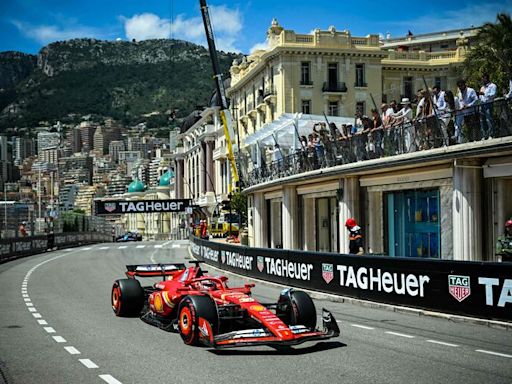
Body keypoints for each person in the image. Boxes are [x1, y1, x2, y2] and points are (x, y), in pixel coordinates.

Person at [478, 74, 497, 140]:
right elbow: (480, 97)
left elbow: (493, 95)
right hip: (482, 104)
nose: (483, 80)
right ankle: (484, 135)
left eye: (484, 79)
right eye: (482, 79)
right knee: (482, 121)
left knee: (489, 119)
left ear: (487, 79)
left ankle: (491, 134)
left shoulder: (493, 86)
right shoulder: (482, 87)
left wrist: (484, 94)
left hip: (489, 104)